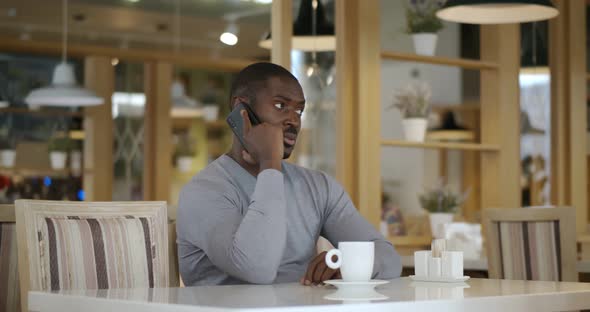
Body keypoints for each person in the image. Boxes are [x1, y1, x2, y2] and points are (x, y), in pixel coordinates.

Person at [177, 62, 401, 286]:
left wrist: (350, 263)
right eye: (280, 105)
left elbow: (389, 259)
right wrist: (270, 163)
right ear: (241, 110)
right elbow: (258, 268)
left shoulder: (318, 187)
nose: (294, 120)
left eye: (299, 110)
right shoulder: (204, 191)